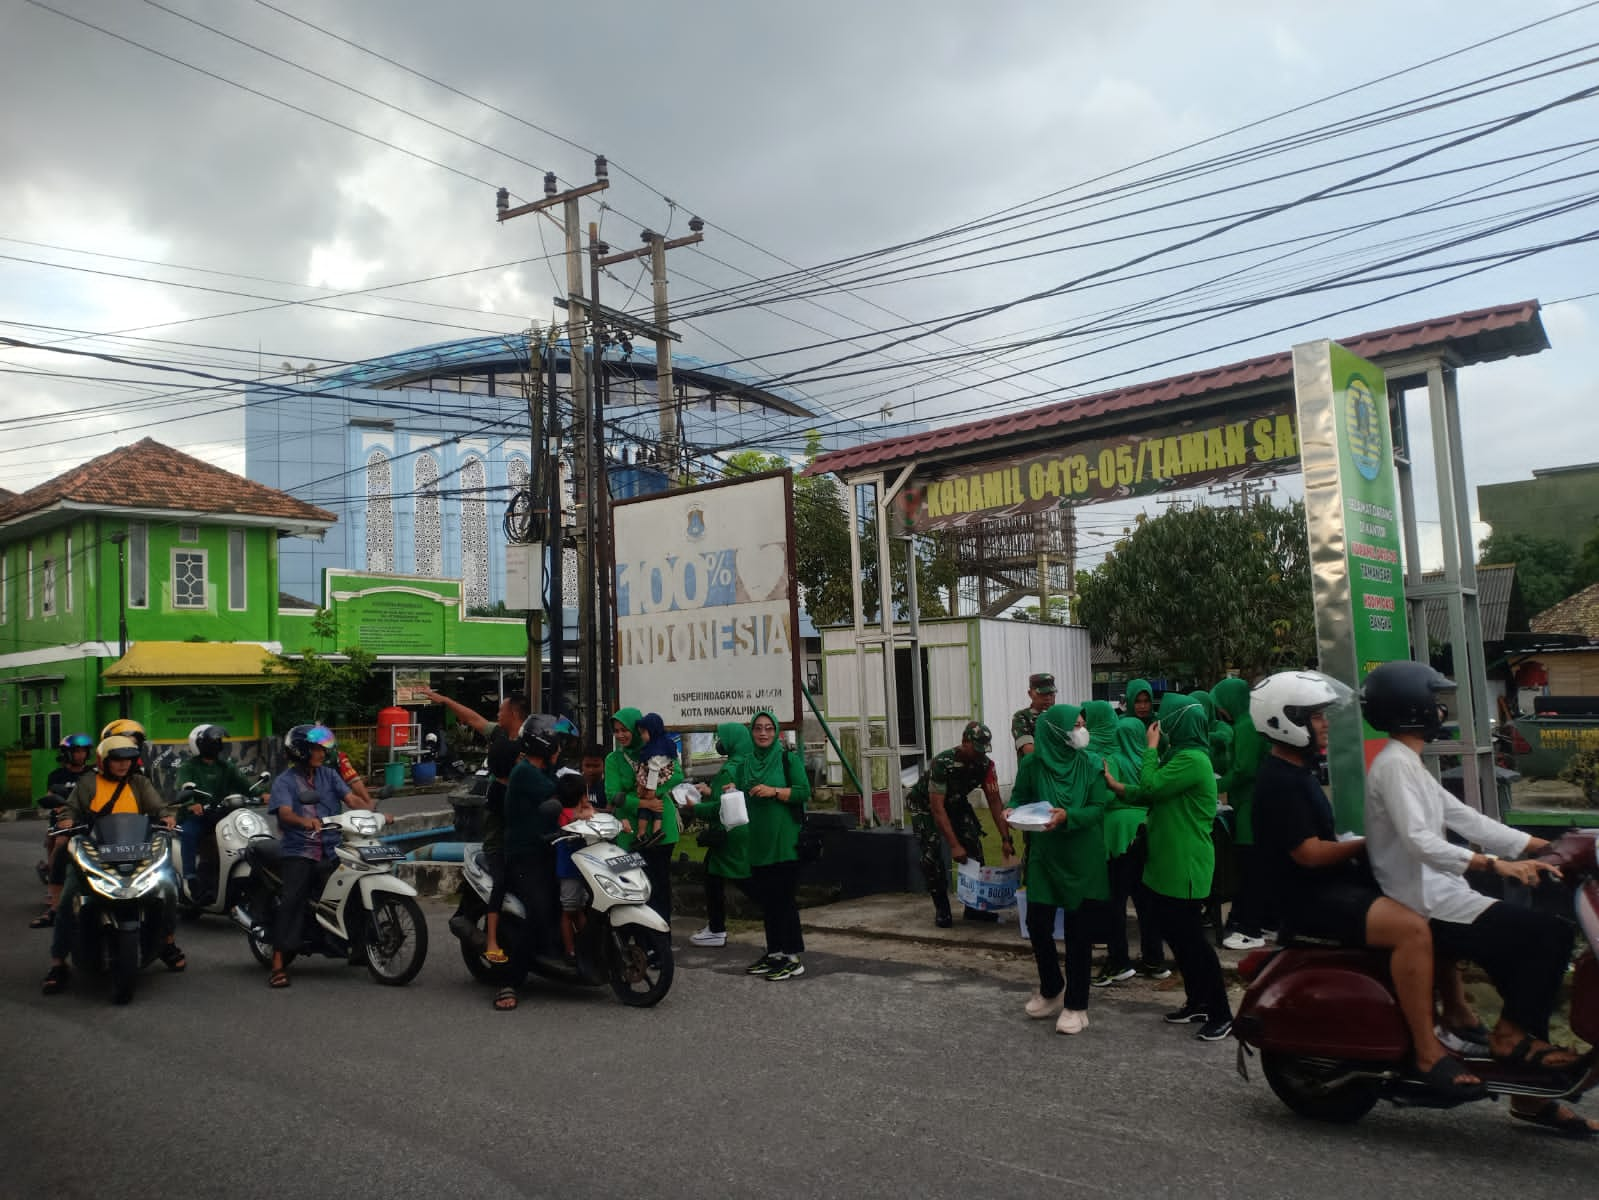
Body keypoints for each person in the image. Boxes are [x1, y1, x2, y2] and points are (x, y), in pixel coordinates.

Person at [1361, 660, 1595, 1134]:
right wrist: (1497, 864)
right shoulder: (1393, 767)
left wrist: (1545, 847)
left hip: (1443, 891)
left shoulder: (1409, 763)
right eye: (1435, 699)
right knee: (1547, 937)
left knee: (1530, 956)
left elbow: (1468, 820)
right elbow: (1420, 843)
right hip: (1423, 900)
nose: (1441, 707)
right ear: (1414, 708)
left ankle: (1529, 1096)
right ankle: (1509, 1040)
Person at [1250, 670, 1482, 1099]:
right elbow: (1308, 854)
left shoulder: (1298, 770)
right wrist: (1367, 843)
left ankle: (1456, 1013)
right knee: (1411, 928)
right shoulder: (1279, 782)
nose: (1325, 723)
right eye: (1315, 716)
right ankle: (1427, 1052)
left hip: (1328, 885)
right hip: (1310, 898)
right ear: (1285, 720)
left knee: (1429, 906)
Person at [1103, 697, 1234, 1041]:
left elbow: (1150, 786)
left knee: (1194, 941)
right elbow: (1152, 795)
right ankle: (1197, 1002)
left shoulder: (1191, 759)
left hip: (1185, 863)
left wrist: (1150, 748)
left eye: (1165, 721)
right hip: (1166, 861)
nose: (1159, 725)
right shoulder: (1180, 757)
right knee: (1176, 934)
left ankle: (1221, 1012)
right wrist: (1119, 788)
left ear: (1178, 724)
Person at [42, 735, 182, 995]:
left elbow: (159, 806)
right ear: (104, 761)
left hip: (137, 853)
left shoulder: (139, 783)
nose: (123, 765)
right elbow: (70, 810)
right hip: (95, 853)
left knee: (169, 888)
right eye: (117, 759)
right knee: (68, 899)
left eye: (128, 760)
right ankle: (58, 962)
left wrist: (166, 817)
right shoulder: (87, 783)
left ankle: (167, 942)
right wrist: (67, 821)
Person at [1010, 704, 1109, 1035]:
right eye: (1075, 725)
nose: (1082, 731)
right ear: (1054, 733)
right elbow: (1020, 797)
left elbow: (1097, 809)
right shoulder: (1032, 765)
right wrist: (1013, 812)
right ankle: (1052, 988)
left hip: (1082, 857)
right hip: (1045, 855)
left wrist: (1069, 816)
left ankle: (1076, 1006)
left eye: (1083, 724)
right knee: (1037, 921)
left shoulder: (1092, 763)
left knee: (1079, 933)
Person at [265, 724, 376, 989]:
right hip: (300, 849)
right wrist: (304, 821)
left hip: (331, 846)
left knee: (357, 886)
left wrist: (374, 813)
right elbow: (284, 812)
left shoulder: (329, 775)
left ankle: (359, 946)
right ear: (301, 751)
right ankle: (278, 963)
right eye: (316, 748)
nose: (322, 753)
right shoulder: (286, 781)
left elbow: (351, 799)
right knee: (292, 899)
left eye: (322, 748)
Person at [423, 688, 528, 949]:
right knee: (499, 863)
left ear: (513, 712)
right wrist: (445, 699)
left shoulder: (532, 738)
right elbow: (472, 719)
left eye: (501, 710)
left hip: (524, 811)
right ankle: (481, 927)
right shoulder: (501, 734)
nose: (497, 714)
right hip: (498, 810)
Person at [905, 721, 1015, 928]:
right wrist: (954, 845)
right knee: (932, 854)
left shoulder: (986, 765)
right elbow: (937, 808)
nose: (979, 754)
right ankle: (942, 909)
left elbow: (994, 800)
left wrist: (1005, 838)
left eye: (984, 749)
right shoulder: (942, 762)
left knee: (975, 851)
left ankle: (973, 908)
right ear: (965, 742)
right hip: (926, 806)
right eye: (976, 748)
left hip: (956, 803)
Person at [1092, 708, 1169, 985]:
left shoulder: (1112, 759)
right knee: (1147, 902)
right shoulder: (1152, 761)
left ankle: (1119, 962)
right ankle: (1154, 960)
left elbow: (1106, 799)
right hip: (1148, 833)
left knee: (1115, 903)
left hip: (1119, 837)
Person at [497, 713, 569, 1011]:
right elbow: (560, 796)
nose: (560, 749)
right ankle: (509, 980)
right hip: (524, 855)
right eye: (557, 743)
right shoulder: (525, 772)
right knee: (537, 911)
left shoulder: (545, 770)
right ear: (545, 745)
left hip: (547, 849)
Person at [743, 710, 812, 981]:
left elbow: (804, 791)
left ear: (776, 733)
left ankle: (793, 957)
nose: (763, 733)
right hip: (758, 840)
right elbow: (739, 788)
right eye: (758, 728)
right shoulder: (747, 762)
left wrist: (774, 791)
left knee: (783, 900)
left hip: (785, 841)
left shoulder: (787, 758)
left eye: (769, 728)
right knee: (768, 901)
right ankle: (774, 953)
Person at [1213, 676, 1268, 951]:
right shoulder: (1251, 722)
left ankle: (1249, 928)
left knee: (1249, 868)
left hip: (1249, 806)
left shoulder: (1246, 726)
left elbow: (1243, 769)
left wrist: (1213, 786)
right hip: (1254, 803)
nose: (1220, 711)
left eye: (1221, 704)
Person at [689, 722, 756, 948]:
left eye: (723, 738)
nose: (719, 743)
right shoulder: (750, 762)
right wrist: (711, 791)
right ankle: (716, 927)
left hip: (729, 833)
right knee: (715, 874)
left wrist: (694, 808)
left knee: (740, 879)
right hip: (743, 831)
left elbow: (721, 808)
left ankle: (717, 929)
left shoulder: (730, 768)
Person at [613, 712, 684, 923]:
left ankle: (661, 944)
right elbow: (613, 794)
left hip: (662, 833)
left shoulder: (658, 749)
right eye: (616, 731)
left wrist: (653, 792)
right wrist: (645, 802)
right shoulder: (614, 759)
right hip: (630, 834)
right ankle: (640, 945)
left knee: (659, 888)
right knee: (634, 887)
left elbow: (677, 775)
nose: (620, 735)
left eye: (624, 730)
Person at [175, 724, 255, 886]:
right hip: (196, 816)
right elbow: (182, 787)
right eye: (212, 741)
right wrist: (192, 804)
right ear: (199, 744)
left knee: (247, 832)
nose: (216, 744)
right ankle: (190, 876)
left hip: (221, 814)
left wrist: (263, 794)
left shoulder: (226, 766)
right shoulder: (189, 767)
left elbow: (246, 786)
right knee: (189, 833)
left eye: (218, 741)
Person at [32, 732, 96, 929]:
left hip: (88, 819)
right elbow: (51, 798)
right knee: (59, 843)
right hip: (63, 821)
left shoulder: (93, 773)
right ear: (67, 753)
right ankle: (54, 894)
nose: (80, 755)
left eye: (84, 751)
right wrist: (60, 808)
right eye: (76, 751)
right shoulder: (57, 775)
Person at [554, 772, 595, 963]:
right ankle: (570, 951)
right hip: (569, 870)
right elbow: (575, 819)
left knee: (580, 909)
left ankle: (586, 947)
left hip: (583, 869)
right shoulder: (565, 815)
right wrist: (584, 812)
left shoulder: (579, 812)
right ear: (581, 796)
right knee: (569, 910)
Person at [1011, 672, 1056, 757]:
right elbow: (1029, 750)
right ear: (1030, 694)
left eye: (1051, 693)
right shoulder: (1021, 717)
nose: (1048, 698)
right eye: (1043, 693)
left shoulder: (1060, 715)